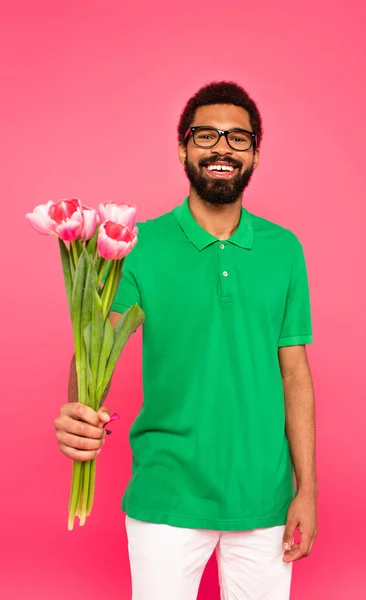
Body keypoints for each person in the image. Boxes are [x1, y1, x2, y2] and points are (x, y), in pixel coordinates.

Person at [54, 81, 318, 600]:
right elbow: (94, 352)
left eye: (238, 138)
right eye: (206, 135)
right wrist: (78, 411)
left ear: (256, 155)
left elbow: (294, 373)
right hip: (166, 491)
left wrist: (306, 489)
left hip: (264, 497)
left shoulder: (284, 249)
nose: (222, 147)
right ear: (183, 148)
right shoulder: (136, 245)